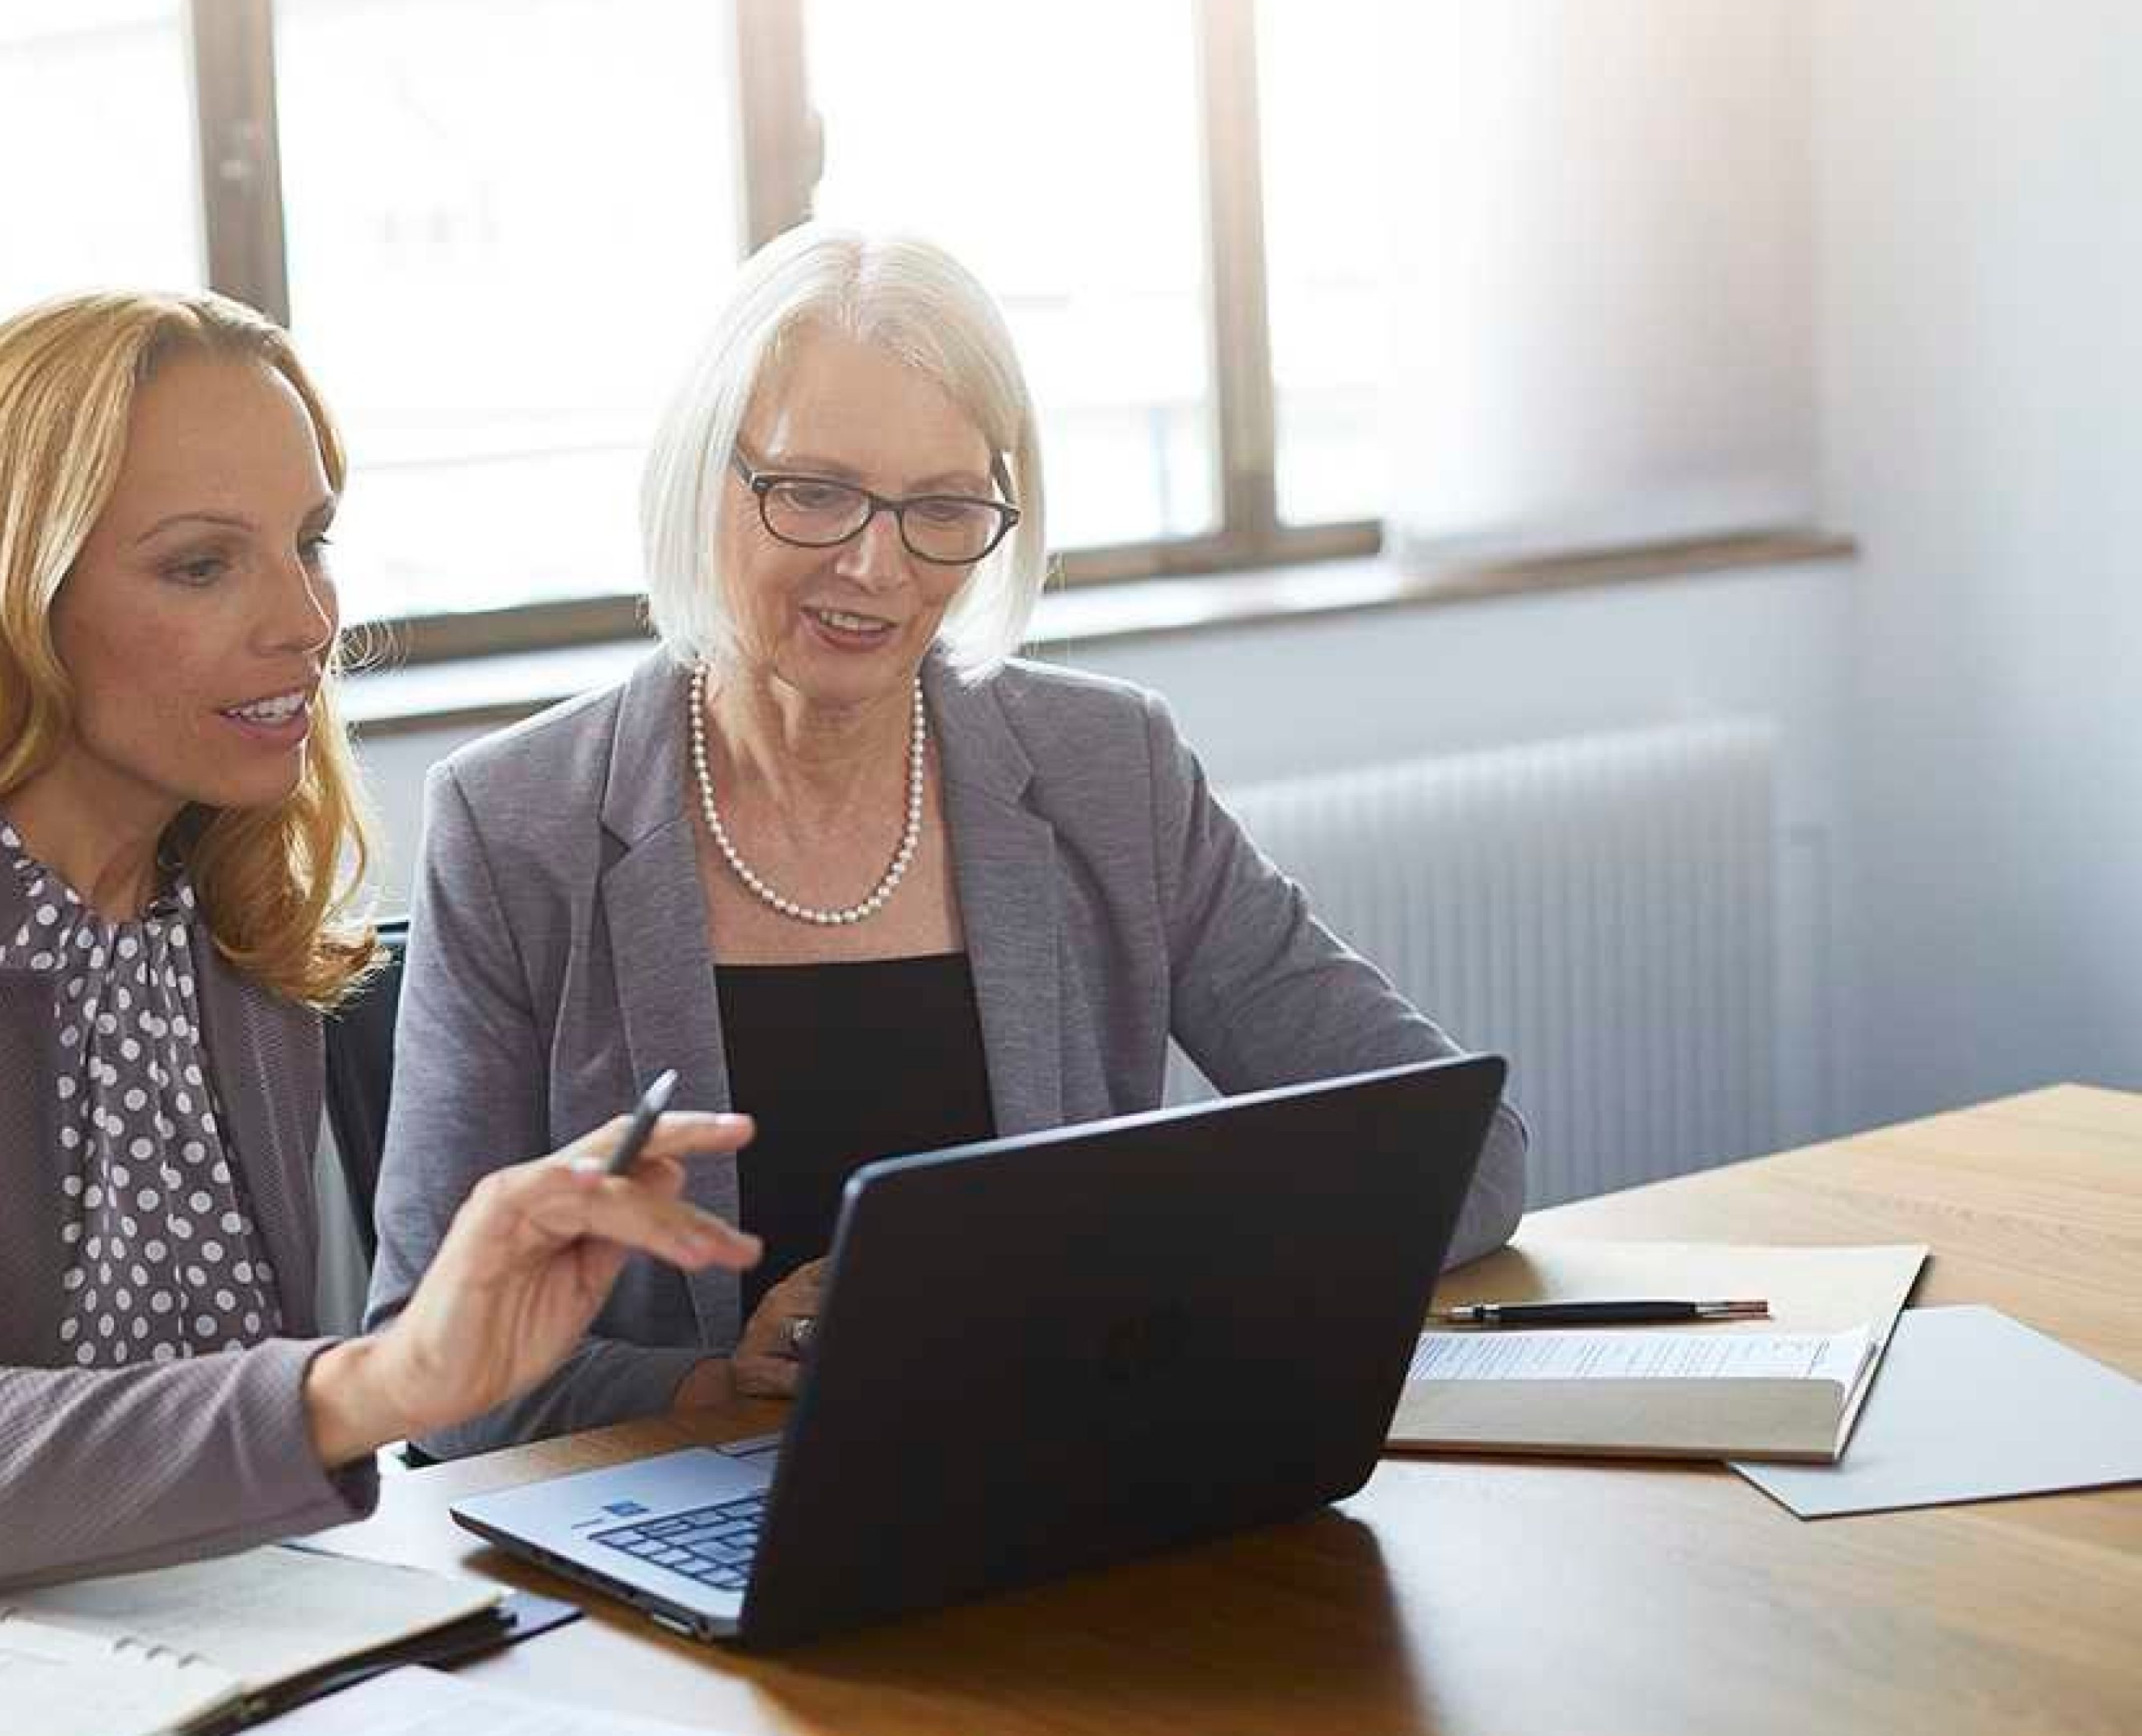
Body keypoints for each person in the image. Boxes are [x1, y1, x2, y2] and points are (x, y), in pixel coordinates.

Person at [0, 291, 757, 1657]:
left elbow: (211, 1485)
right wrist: (374, 1383)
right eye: (199, 566)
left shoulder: (231, 911)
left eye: (310, 545)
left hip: (172, 1660)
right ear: (11, 591)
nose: (304, 620)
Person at [366, 225, 1527, 1459]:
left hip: (1057, 1487)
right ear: (702, 475)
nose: (877, 565)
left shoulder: (1107, 771)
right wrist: (708, 1384)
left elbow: (1467, 1159)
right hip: (690, 1531)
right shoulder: (516, 824)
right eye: (814, 492)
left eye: (943, 507)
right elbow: (426, 1360)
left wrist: (1104, 1288)